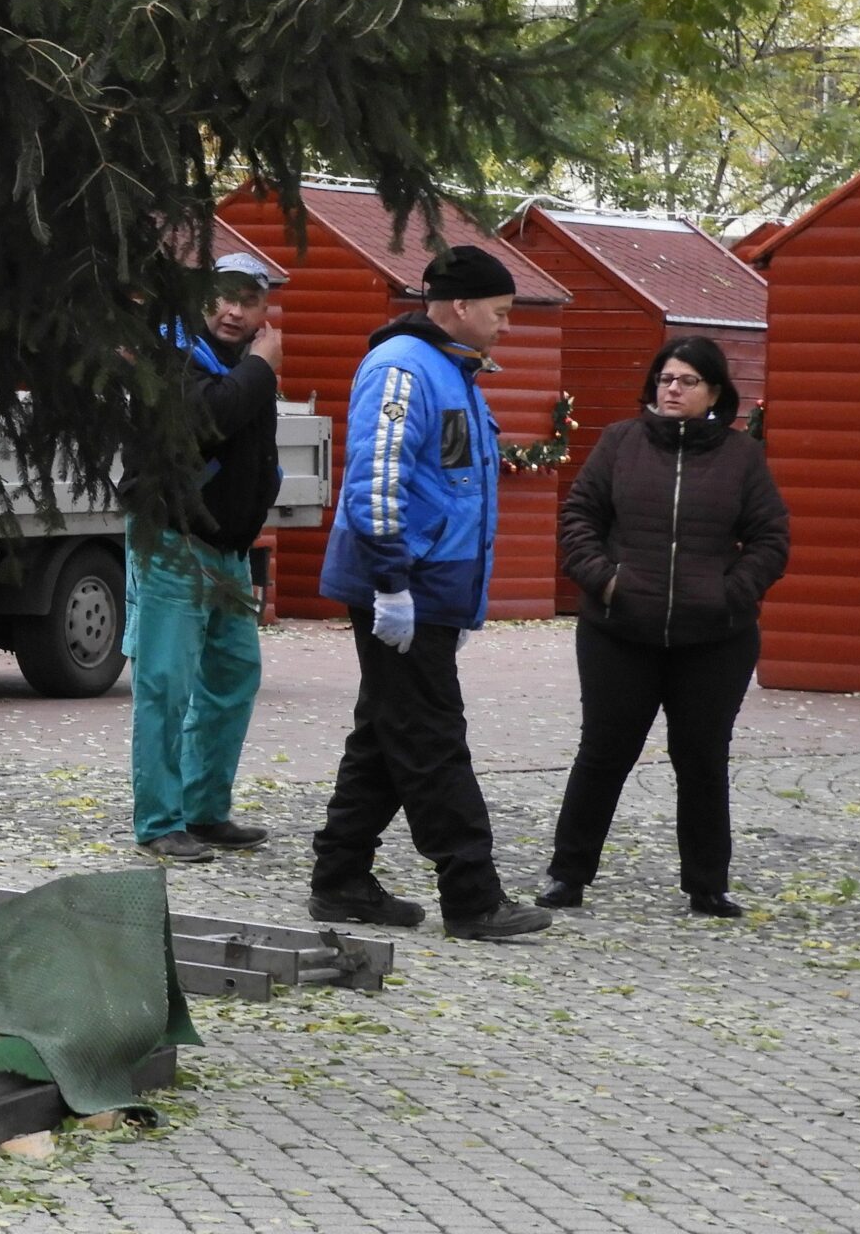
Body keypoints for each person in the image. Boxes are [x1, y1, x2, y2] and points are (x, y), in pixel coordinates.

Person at [307, 243, 552, 942]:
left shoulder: (451, 371)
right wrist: (392, 586)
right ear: (460, 307)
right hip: (403, 585)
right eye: (501, 313)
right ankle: (472, 895)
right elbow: (374, 480)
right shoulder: (405, 369)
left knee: (388, 732)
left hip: (427, 588)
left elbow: (448, 489)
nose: (507, 326)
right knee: (432, 736)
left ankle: (340, 879)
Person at [538, 337, 788, 918]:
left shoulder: (740, 457)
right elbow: (579, 517)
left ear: (715, 393)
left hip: (714, 638)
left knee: (702, 756)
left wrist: (731, 593)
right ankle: (567, 874)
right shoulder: (620, 443)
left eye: (687, 381)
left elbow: (770, 538)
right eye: (665, 379)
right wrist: (606, 582)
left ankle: (708, 884)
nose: (672, 389)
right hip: (619, 630)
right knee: (604, 751)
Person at [126, 249, 286, 863]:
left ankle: (204, 810)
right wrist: (264, 371)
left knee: (233, 678)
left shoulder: (241, 362)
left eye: (249, 301)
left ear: (263, 309)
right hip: (173, 541)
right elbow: (205, 420)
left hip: (228, 550)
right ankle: (159, 823)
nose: (233, 309)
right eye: (224, 295)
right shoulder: (173, 353)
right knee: (165, 685)